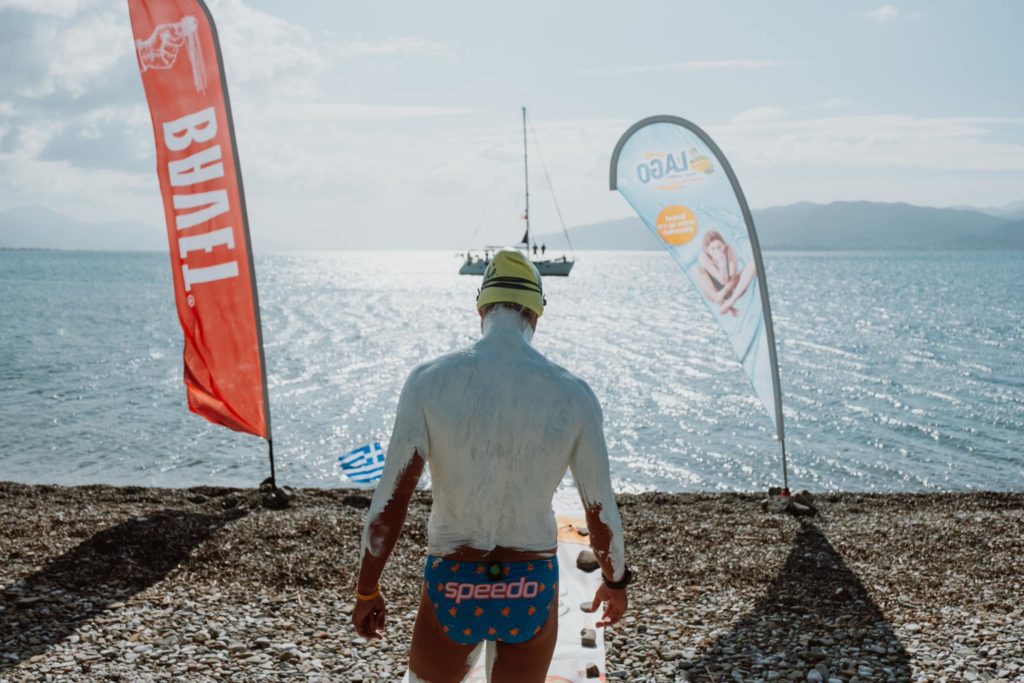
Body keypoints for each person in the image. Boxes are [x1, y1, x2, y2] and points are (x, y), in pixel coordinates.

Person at [352, 248, 630, 682]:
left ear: (481, 306)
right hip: (531, 582)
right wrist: (615, 584)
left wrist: (367, 589)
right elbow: (602, 516)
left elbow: (390, 505)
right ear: (536, 313)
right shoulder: (574, 394)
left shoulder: (429, 381)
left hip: (453, 578)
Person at [694, 230, 757, 316]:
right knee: (697, 270)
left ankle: (729, 303)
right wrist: (722, 264)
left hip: (733, 290)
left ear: (724, 245)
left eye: (719, 247)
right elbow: (722, 280)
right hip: (715, 294)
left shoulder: (729, 250)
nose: (717, 251)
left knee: (754, 263)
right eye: (713, 249)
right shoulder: (703, 256)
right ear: (707, 250)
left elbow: (732, 278)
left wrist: (726, 294)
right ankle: (725, 306)